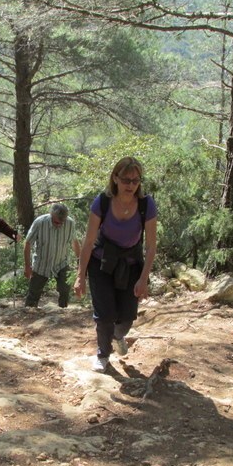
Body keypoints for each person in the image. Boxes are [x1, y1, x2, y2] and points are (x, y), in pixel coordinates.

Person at [74, 157, 157, 372]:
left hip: (130, 264)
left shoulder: (146, 205)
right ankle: (103, 354)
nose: (130, 185)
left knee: (127, 317)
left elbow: (150, 246)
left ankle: (118, 336)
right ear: (115, 178)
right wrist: (80, 275)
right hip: (101, 262)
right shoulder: (101, 202)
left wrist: (143, 279)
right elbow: (89, 241)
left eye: (135, 181)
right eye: (126, 180)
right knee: (105, 315)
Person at [24, 203, 81, 309]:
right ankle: (29, 313)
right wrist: (27, 266)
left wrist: (80, 261)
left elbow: (74, 242)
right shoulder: (40, 222)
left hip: (62, 262)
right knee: (34, 293)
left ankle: (62, 313)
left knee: (65, 289)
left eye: (61, 223)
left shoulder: (70, 223)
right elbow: (27, 243)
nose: (59, 225)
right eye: (56, 222)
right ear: (51, 216)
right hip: (41, 264)